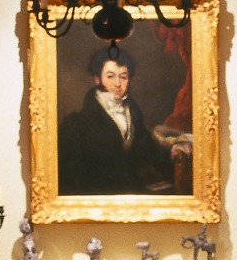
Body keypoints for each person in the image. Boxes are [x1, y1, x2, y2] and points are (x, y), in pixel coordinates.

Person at [57, 49, 167, 196]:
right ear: (97, 79)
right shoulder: (76, 124)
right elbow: (71, 177)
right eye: (110, 76)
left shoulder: (133, 113)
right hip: (95, 196)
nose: (118, 84)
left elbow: (146, 147)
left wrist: (173, 151)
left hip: (131, 194)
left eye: (123, 77)